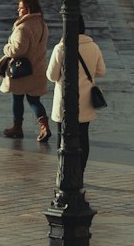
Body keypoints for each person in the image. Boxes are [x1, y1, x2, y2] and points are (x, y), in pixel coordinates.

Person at [46, 16, 107, 176]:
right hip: (86, 101)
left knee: (63, 136)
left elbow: (52, 75)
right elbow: (101, 71)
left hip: (65, 101)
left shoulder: (61, 48)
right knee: (83, 137)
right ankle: (80, 171)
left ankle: (65, 171)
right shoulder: (93, 47)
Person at [0, 0, 52, 143]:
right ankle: (44, 127)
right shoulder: (42, 25)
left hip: (22, 71)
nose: (18, 10)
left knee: (17, 97)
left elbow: (17, 51)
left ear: (27, 10)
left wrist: (6, 48)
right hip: (38, 68)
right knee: (34, 100)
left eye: (20, 8)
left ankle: (17, 128)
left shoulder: (23, 27)